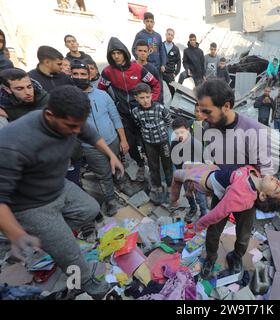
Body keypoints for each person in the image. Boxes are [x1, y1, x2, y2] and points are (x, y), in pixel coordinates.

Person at [0, 85, 124, 299]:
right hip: (31, 206)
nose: (76, 131)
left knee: (90, 209)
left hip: (59, 187)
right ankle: (86, 283)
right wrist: (16, 234)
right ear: (49, 115)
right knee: (70, 252)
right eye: (71, 126)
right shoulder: (13, 143)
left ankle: (53, 240)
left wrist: (111, 155)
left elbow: (91, 134)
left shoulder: (72, 119)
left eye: (78, 125)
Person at [195, 79, 273, 278]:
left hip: (247, 195)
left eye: (207, 111)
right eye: (201, 110)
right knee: (213, 230)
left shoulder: (255, 132)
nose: (202, 117)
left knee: (244, 233)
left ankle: (237, 256)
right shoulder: (209, 127)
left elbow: (265, 172)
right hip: (221, 188)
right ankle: (210, 258)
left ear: (226, 106)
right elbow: (211, 158)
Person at [98, 37, 161, 182]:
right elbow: (101, 91)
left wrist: (152, 103)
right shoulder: (108, 72)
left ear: (125, 53)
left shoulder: (138, 68)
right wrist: (110, 107)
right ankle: (140, 164)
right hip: (124, 114)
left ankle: (153, 169)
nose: (116, 56)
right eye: (113, 53)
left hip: (142, 113)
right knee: (130, 143)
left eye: (119, 52)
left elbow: (155, 84)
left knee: (147, 141)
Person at [71, 62, 129, 217]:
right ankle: (110, 199)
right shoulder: (70, 99)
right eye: (75, 74)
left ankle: (120, 182)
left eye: (83, 74)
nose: (79, 77)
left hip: (112, 140)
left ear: (90, 76)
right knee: (103, 174)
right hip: (90, 147)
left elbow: (115, 117)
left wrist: (123, 139)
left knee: (117, 164)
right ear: (70, 75)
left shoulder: (102, 95)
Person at [170, 164, 280, 232]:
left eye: (277, 189)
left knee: (176, 175)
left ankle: (174, 200)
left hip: (201, 179)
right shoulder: (256, 174)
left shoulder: (240, 194)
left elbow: (217, 213)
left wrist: (198, 226)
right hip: (212, 170)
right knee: (186, 164)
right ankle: (189, 192)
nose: (278, 182)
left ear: (262, 195)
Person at [132, 83, 172, 205]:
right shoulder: (135, 112)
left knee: (167, 165)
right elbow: (138, 125)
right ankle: (158, 187)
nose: (145, 101)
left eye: (147, 97)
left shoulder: (160, 108)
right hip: (149, 143)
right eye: (142, 98)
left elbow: (168, 121)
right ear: (136, 98)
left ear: (151, 96)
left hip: (163, 141)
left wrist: (161, 132)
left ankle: (171, 187)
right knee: (153, 166)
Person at [170, 117, 208, 221]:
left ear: (188, 130)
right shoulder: (174, 143)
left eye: (182, 132)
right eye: (176, 133)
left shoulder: (196, 144)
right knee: (188, 194)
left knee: (200, 197)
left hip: (197, 177)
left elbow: (203, 163)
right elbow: (175, 161)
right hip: (184, 175)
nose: (180, 135)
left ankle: (204, 213)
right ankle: (193, 208)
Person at [134, 39, 163, 104]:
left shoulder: (153, 69)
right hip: (133, 103)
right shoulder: (131, 66)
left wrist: (153, 102)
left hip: (147, 103)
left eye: (145, 51)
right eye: (140, 50)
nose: (143, 53)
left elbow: (159, 88)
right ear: (136, 51)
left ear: (148, 52)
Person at [162, 28, 181, 97]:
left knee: (172, 91)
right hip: (160, 72)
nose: (170, 36)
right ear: (166, 35)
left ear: (173, 37)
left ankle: (174, 106)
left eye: (171, 35)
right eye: (168, 34)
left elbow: (179, 62)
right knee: (157, 89)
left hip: (169, 73)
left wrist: (176, 73)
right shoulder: (161, 45)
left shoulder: (176, 49)